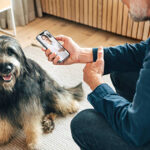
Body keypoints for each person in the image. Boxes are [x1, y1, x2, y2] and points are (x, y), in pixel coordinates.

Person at [42, 0, 150, 149]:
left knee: (84, 123)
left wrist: (97, 85)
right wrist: (80, 54)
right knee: (122, 71)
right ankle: (130, 113)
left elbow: (136, 130)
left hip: (139, 132)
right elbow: (141, 51)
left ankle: (127, 118)